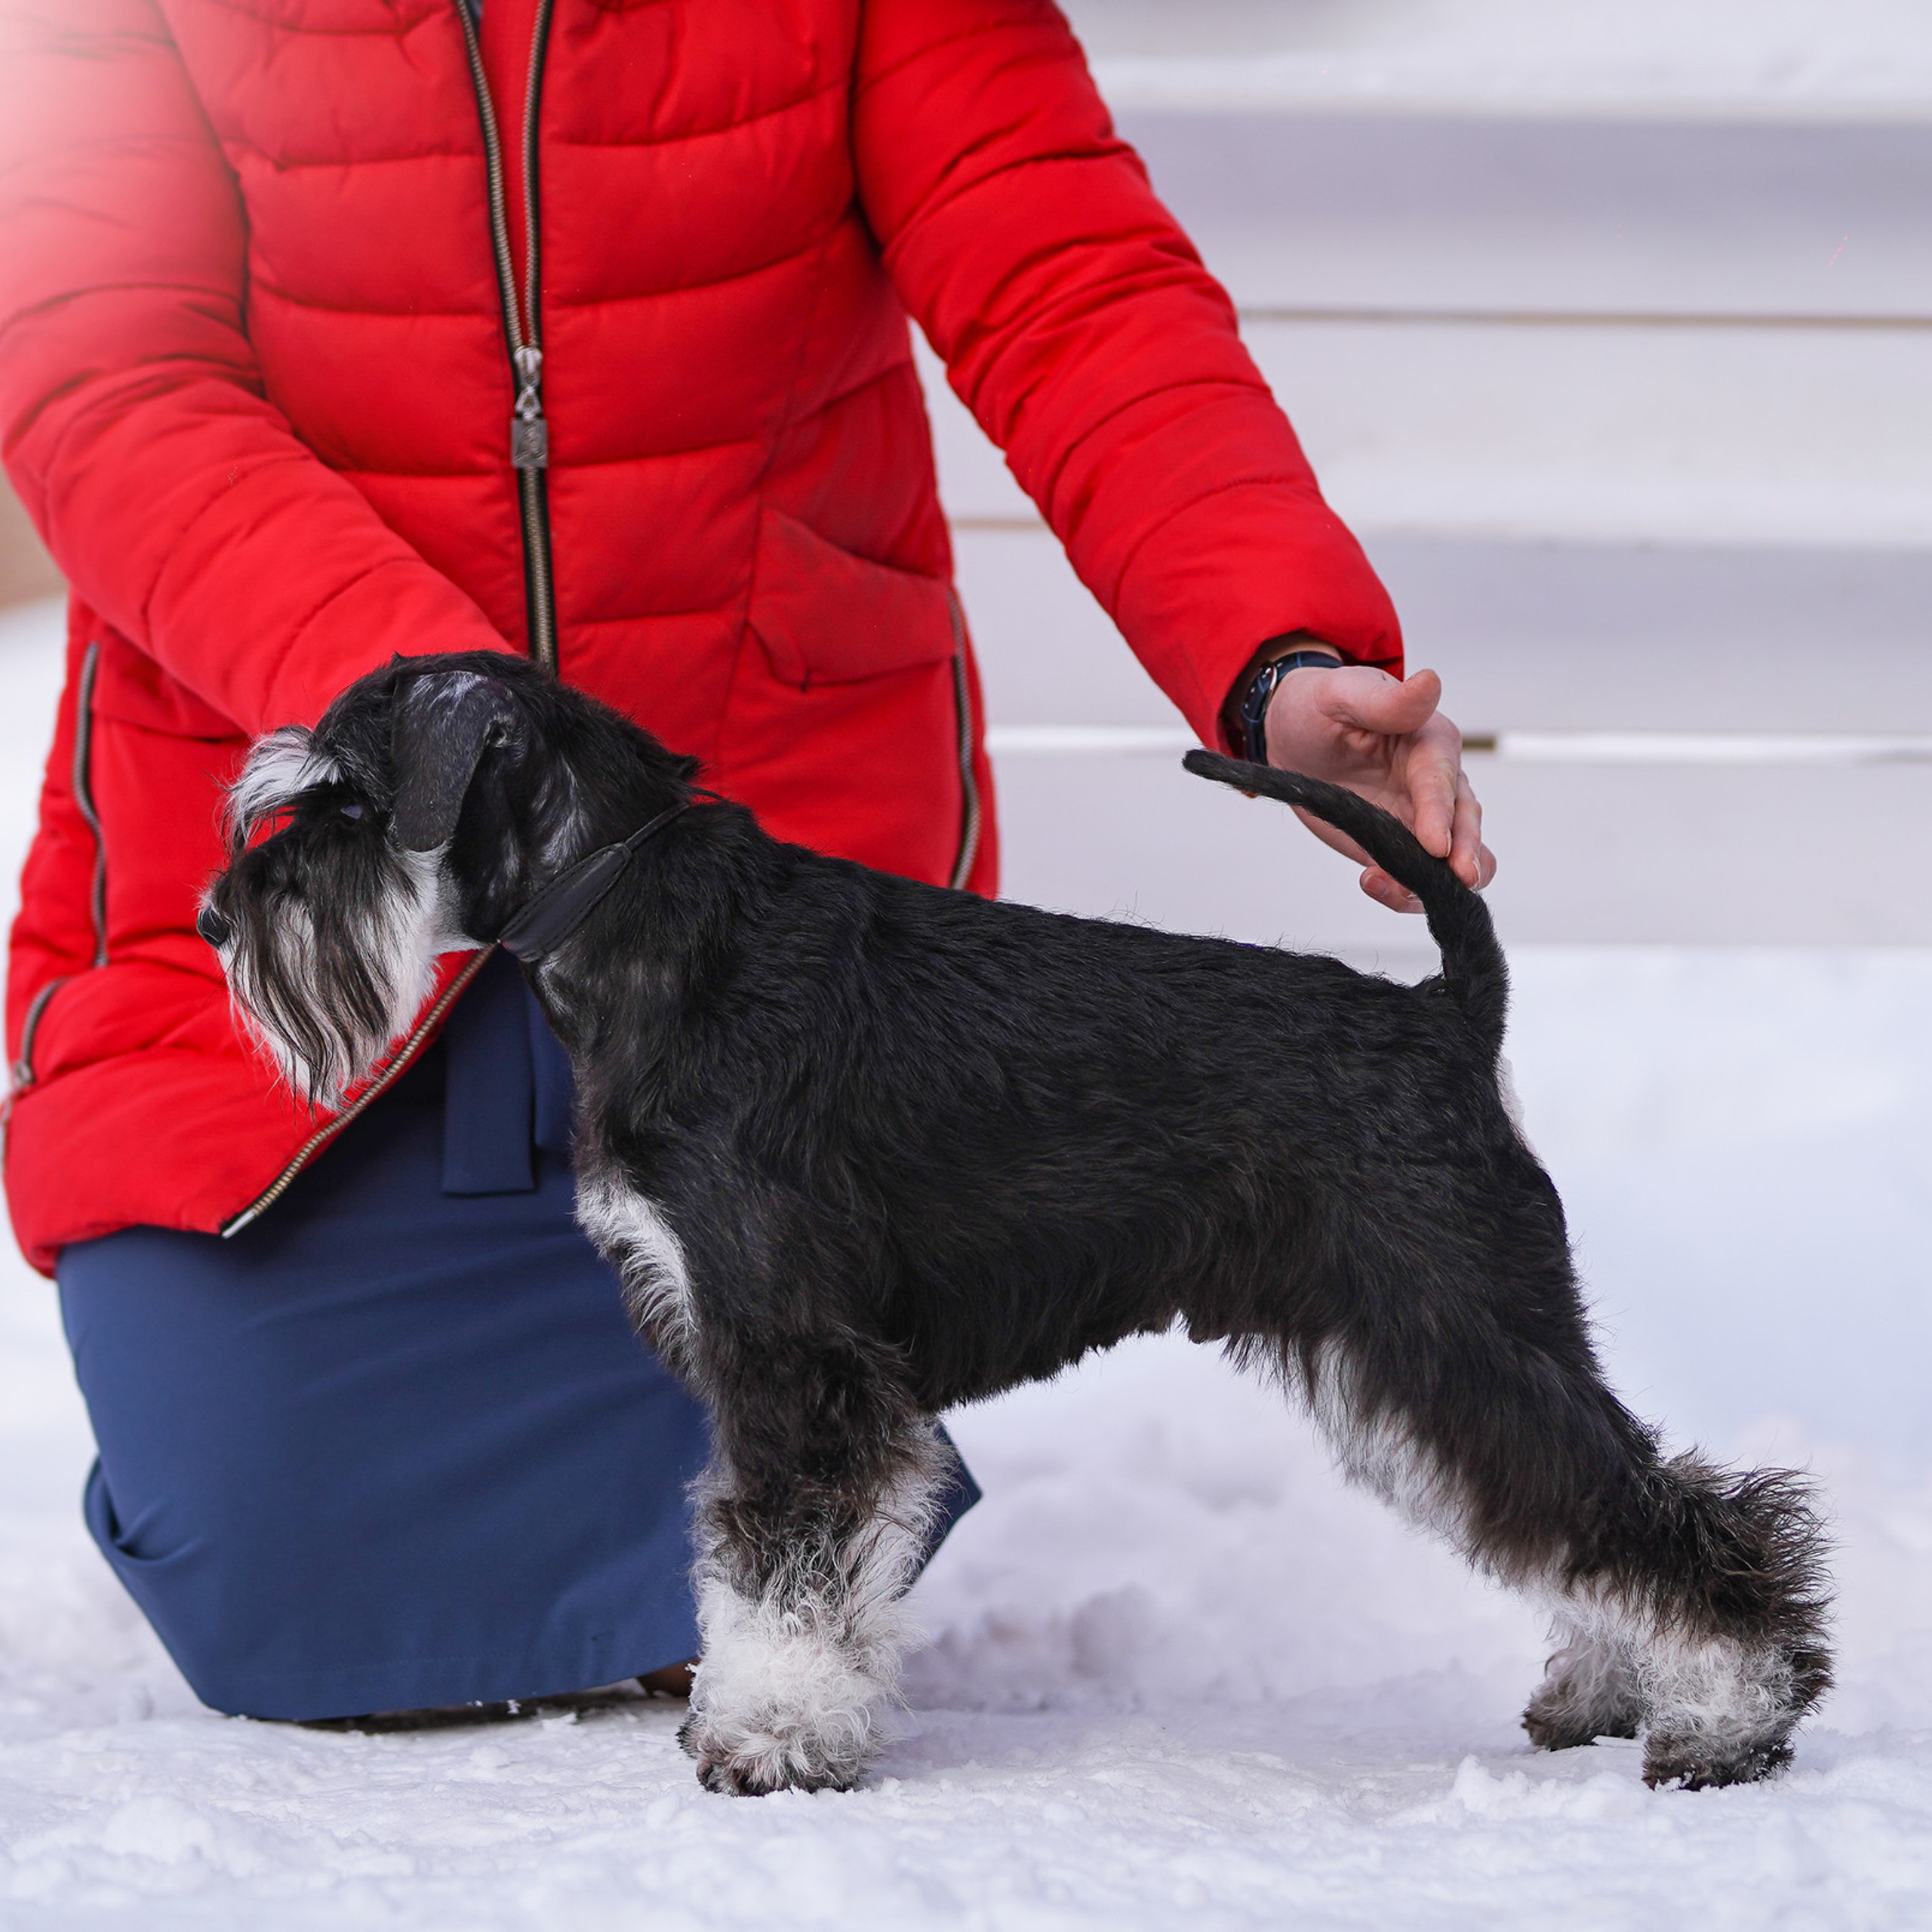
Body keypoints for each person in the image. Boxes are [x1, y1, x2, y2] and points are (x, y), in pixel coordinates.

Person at [0, 0, 1494, 1723]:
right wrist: (443, 735)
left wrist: (1271, 648)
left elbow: (1067, 274)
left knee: (804, 1450)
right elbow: (101, 375)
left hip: (765, 939)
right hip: (318, 873)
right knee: (273, 1577)